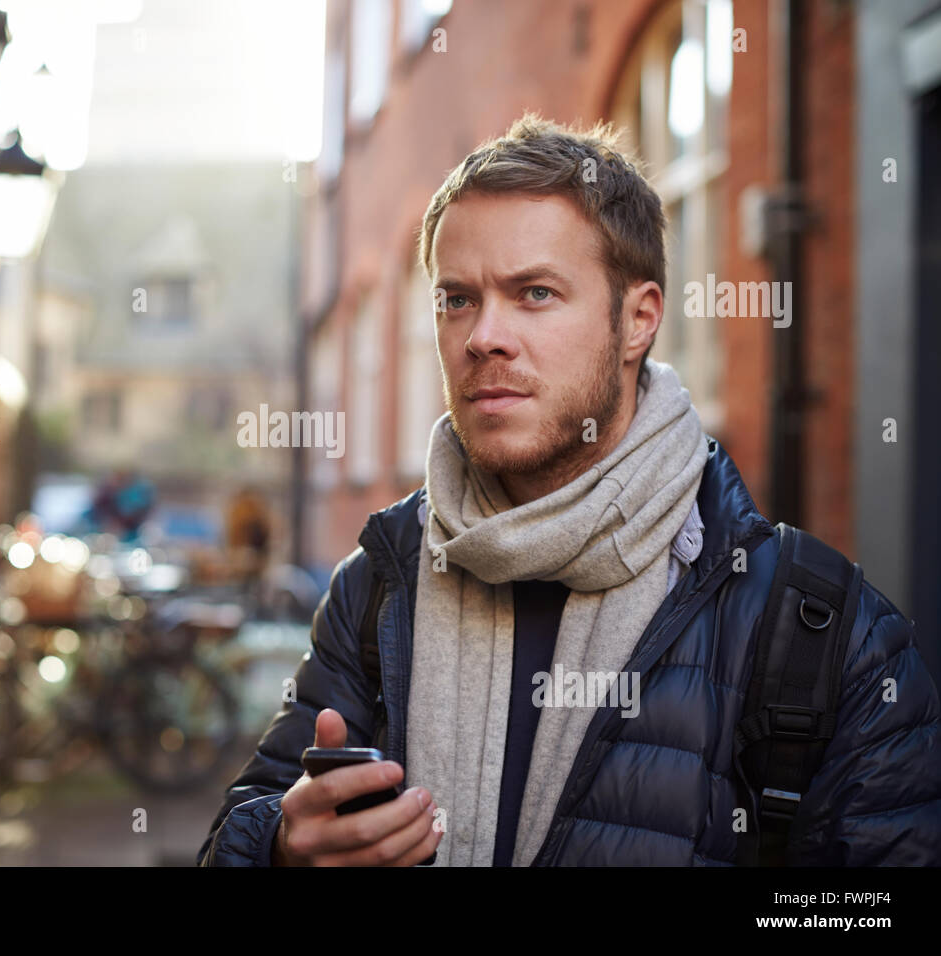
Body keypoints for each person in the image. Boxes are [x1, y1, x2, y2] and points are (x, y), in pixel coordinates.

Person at [197, 114, 941, 867]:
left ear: (638, 321)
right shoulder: (376, 590)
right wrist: (283, 848)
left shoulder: (819, 632)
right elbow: (246, 821)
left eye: (536, 293)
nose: (483, 334)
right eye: (457, 299)